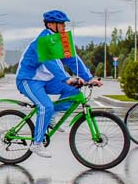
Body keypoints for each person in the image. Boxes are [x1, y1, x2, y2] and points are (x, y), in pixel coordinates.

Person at [15, 10, 100, 158]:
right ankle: (36, 143)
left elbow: (73, 59)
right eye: (61, 23)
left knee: (74, 91)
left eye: (64, 23)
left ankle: (53, 115)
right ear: (50, 24)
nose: (64, 26)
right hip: (28, 79)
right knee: (45, 106)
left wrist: (88, 78)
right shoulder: (43, 41)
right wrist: (66, 78)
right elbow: (51, 63)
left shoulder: (61, 39)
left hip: (47, 80)